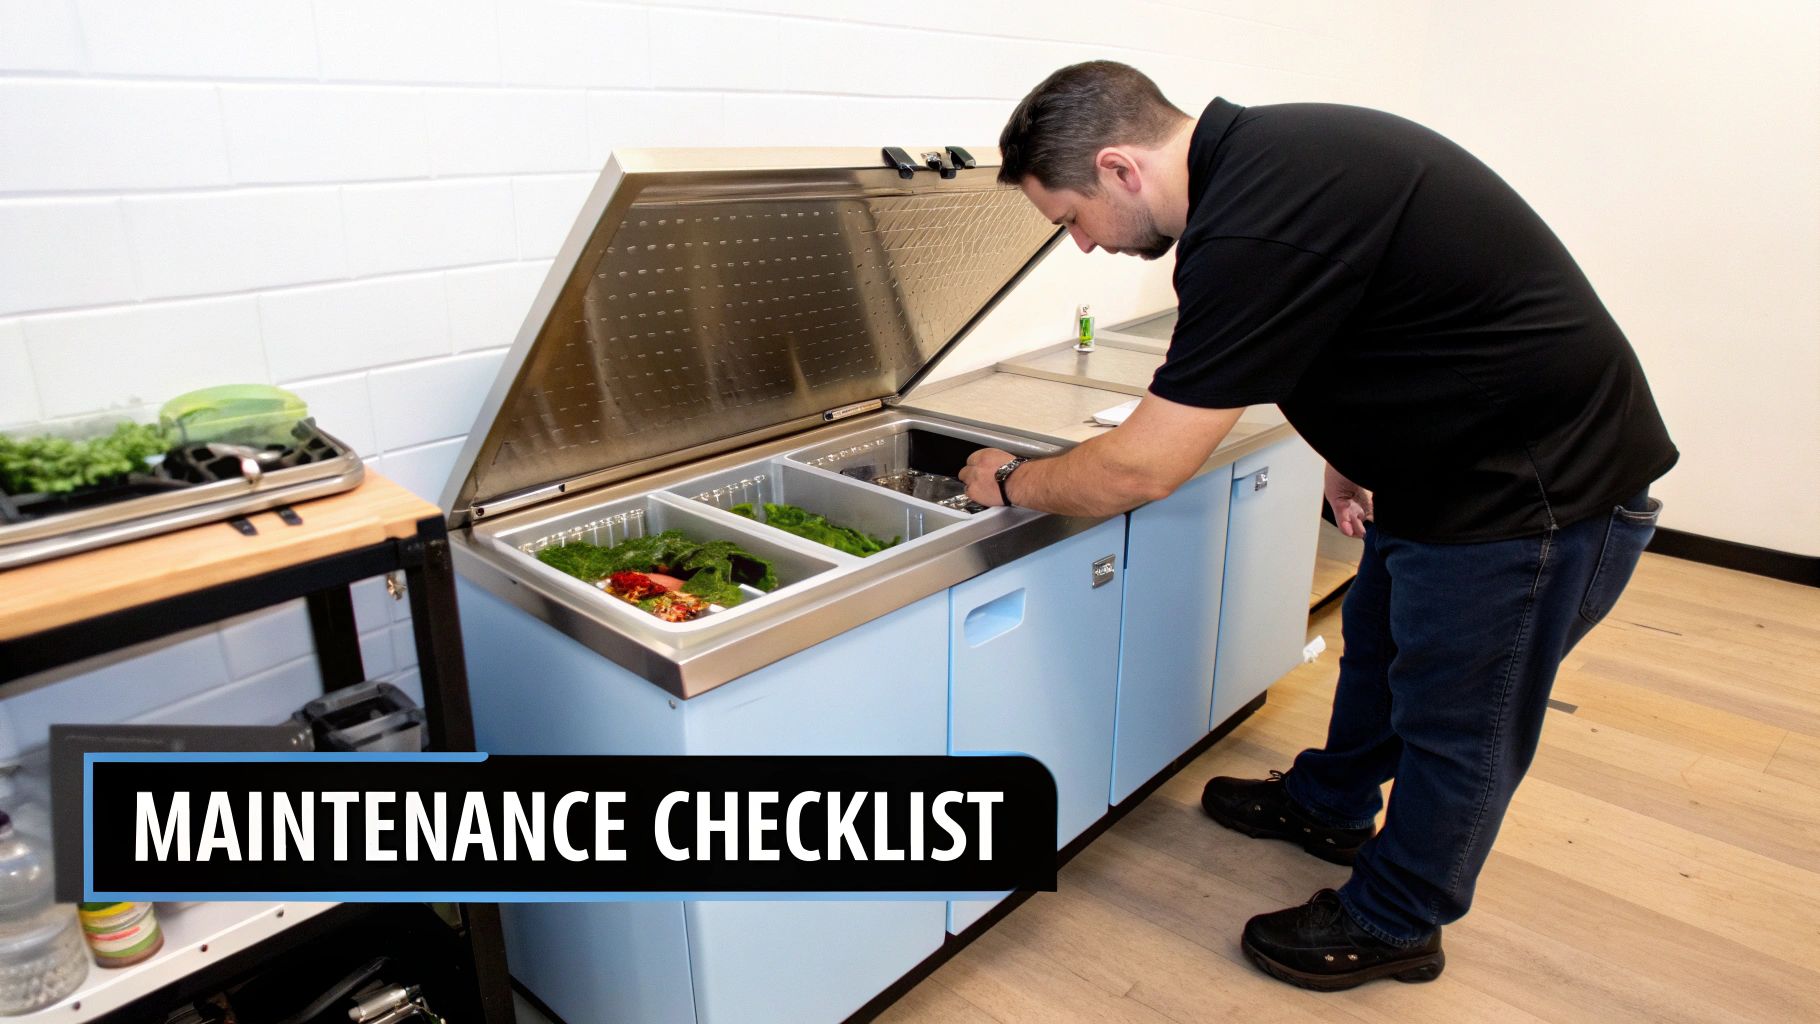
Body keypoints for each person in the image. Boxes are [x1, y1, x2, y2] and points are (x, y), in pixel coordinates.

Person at [959, 61, 1677, 991]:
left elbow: (1141, 468)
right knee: (1378, 649)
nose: (1085, 246)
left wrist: (1011, 481)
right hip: (1448, 472)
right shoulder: (1270, 162)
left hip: (1535, 499)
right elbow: (1343, 318)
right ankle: (1330, 804)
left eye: (1071, 219)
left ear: (1119, 168)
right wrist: (1345, 446)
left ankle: (1396, 918)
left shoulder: (1250, 223)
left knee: (1462, 722)